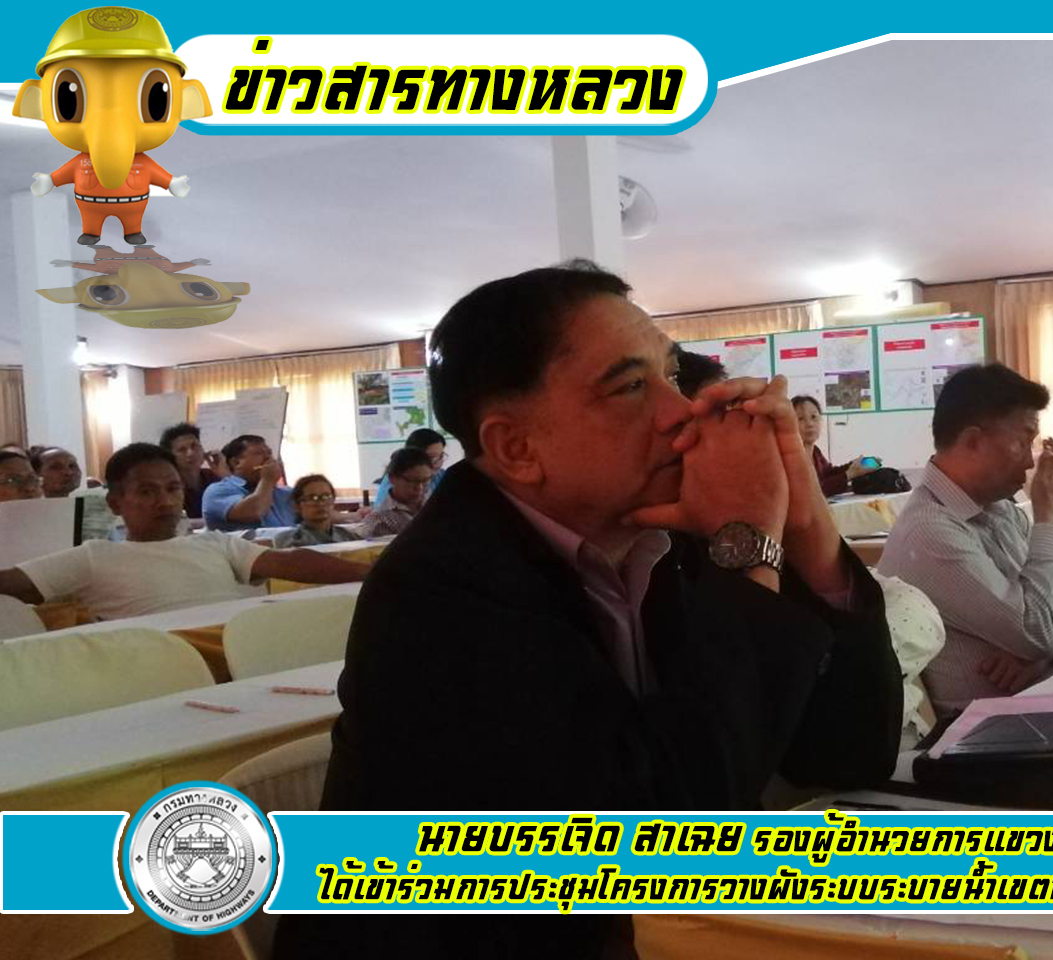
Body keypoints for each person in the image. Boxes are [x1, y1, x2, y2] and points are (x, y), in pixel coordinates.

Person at [276, 261, 900, 959]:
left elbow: (851, 755)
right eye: (631, 387)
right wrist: (750, 539)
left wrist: (804, 521)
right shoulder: (438, 588)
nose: (680, 410)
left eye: (670, 375)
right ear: (517, 448)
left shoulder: (670, 538)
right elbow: (663, 843)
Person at [877, 364, 1053, 713]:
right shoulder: (930, 532)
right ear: (973, 441)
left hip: (1038, 701)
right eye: (1023, 441)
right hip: (982, 727)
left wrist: (1051, 650)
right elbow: (1035, 633)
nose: (1030, 462)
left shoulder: (999, 508)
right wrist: (1046, 515)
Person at [0, 443, 367, 621]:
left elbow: (291, 563)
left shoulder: (215, 543)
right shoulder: (94, 557)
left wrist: (371, 573)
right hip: (165, 668)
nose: (165, 500)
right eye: (147, 491)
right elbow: (11, 582)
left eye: (173, 489)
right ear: (114, 503)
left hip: (245, 651)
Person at [202, 435, 297, 532]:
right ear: (236, 463)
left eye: (269, 453)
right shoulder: (218, 491)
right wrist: (267, 480)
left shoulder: (286, 493)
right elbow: (256, 511)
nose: (268, 457)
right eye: (259, 453)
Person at [792, 395, 875, 496]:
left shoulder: (815, 451)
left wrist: (855, 464)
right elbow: (810, 491)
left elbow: (828, 473)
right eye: (800, 419)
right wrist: (849, 474)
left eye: (814, 417)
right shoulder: (790, 455)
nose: (809, 424)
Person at [358, 447, 433, 538]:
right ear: (392, 478)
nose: (419, 487)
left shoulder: (437, 505)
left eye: (425, 481)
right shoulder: (379, 520)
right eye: (411, 481)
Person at [275, 474, 363, 548]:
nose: (321, 503)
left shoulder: (350, 537)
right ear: (297, 506)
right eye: (312, 498)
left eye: (326, 496)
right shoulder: (289, 540)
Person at [159, 422, 223, 519]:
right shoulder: (168, 486)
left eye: (194, 446)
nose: (191, 453)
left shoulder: (211, 476)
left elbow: (237, 508)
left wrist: (226, 475)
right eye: (182, 450)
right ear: (170, 457)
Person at [372, 428, 447, 505]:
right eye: (432, 457)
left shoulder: (440, 475)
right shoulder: (396, 482)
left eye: (441, 455)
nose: (439, 462)